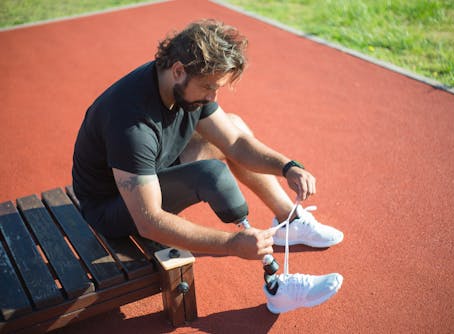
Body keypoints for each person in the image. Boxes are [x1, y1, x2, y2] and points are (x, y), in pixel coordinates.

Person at [72, 19, 343, 314]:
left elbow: (236, 142)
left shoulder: (182, 85)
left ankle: (288, 222)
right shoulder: (132, 125)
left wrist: (288, 166)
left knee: (234, 124)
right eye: (209, 88)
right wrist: (231, 244)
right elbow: (148, 221)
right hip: (111, 207)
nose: (213, 98)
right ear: (178, 71)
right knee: (210, 175)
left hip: (149, 169)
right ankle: (277, 286)